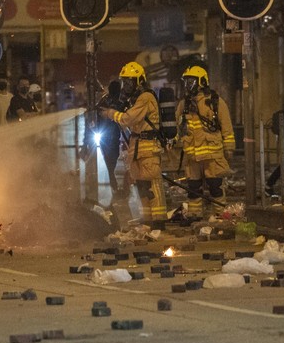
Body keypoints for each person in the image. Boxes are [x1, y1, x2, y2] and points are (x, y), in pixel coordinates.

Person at [99, 62, 166, 230]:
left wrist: (110, 113)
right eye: (125, 82)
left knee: (152, 184)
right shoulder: (135, 99)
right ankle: (147, 219)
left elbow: (129, 119)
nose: (126, 86)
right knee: (142, 185)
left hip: (148, 147)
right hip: (138, 147)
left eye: (130, 82)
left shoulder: (145, 97)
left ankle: (159, 220)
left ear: (140, 81)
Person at [175, 65, 235, 219]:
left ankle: (221, 216)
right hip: (193, 156)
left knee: (215, 186)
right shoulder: (184, 104)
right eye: (186, 82)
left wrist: (229, 149)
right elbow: (177, 127)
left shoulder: (215, 102)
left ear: (202, 81)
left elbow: (226, 126)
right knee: (193, 189)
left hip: (212, 155)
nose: (188, 85)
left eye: (191, 81)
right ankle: (195, 216)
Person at [96, 80, 123, 193]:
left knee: (110, 162)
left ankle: (111, 185)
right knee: (109, 162)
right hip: (108, 136)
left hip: (110, 136)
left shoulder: (108, 100)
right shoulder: (112, 101)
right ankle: (112, 185)